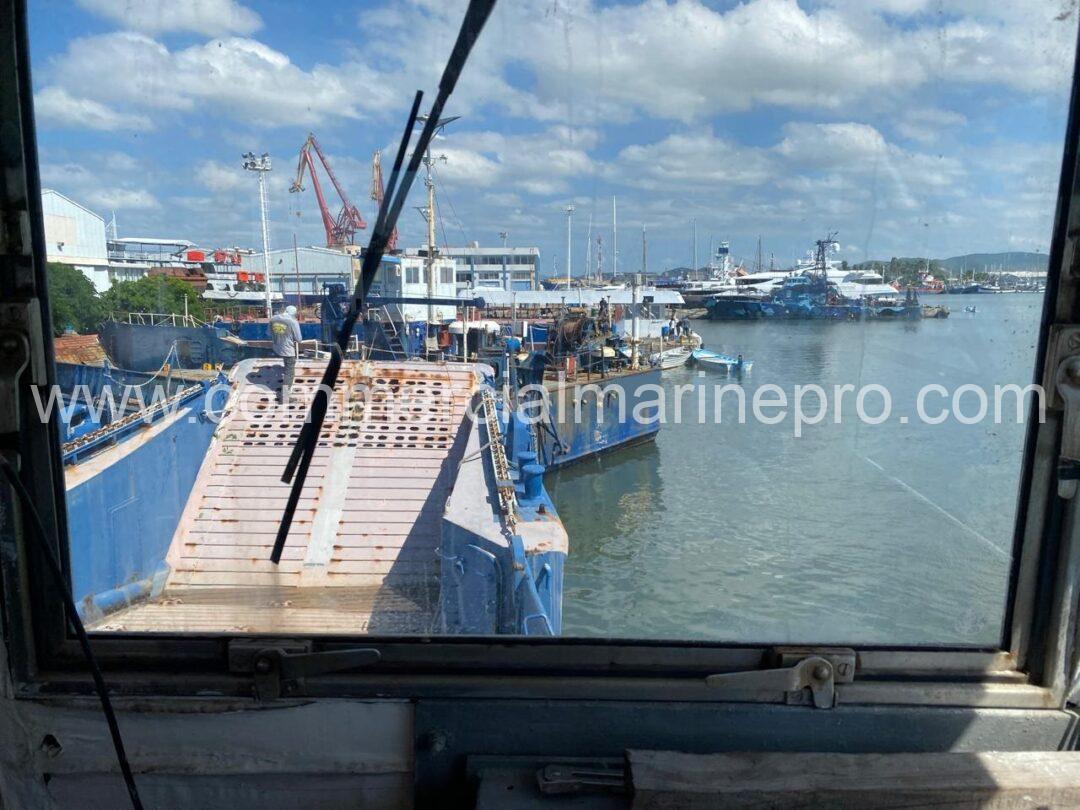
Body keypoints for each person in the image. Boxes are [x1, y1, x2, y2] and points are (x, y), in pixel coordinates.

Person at [269, 304, 303, 402]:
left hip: (277, 347)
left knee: (286, 366)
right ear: (294, 313)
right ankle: (285, 397)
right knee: (289, 373)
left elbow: (269, 333)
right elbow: (299, 339)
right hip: (288, 350)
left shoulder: (273, 319)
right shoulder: (292, 321)